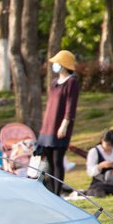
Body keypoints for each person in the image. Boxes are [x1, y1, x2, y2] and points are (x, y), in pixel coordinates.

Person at [38, 50, 80, 195]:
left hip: (61, 125)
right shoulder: (54, 82)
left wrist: (65, 123)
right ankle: (50, 191)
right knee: (49, 160)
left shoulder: (72, 82)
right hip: (48, 126)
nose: (55, 65)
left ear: (63, 64)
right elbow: (50, 105)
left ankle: (57, 192)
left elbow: (71, 105)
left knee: (57, 160)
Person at [85, 129, 113, 197]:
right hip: (100, 182)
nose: (110, 147)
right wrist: (101, 166)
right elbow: (90, 172)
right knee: (98, 191)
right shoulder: (94, 151)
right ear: (102, 140)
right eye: (108, 145)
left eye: (112, 145)